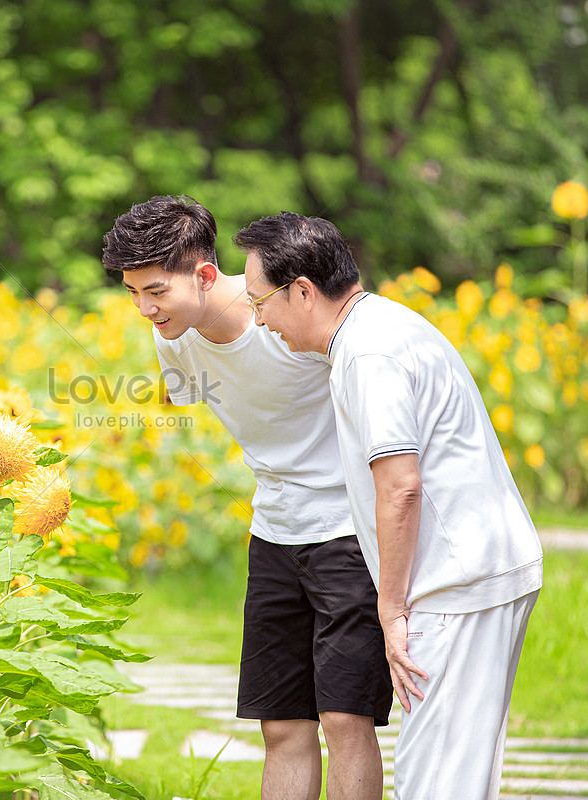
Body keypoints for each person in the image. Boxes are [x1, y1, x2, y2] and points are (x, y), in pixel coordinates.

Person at [234, 211, 544, 800]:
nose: (259, 320)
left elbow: (400, 486)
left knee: (437, 780)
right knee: (451, 771)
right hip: (474, 572)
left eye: (260, 302)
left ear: (302, 291)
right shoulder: (379, 328)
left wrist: (391, 610)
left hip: (460, 580)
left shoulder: (367, 354)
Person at [101, 196, 392, 800]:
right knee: (282, 725)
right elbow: (200, 401)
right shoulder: (175, 339)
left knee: (344, 718)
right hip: (275, 534)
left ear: (206, 275)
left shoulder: (287, 316)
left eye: (156, 291)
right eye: (132, 294)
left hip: (348, 531)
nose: (144, 309)